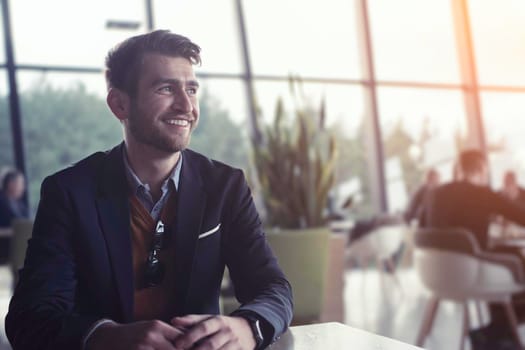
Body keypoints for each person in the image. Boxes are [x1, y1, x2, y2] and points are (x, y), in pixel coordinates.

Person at [5, 30, 292, 350]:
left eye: (192, 89)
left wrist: (247, 326)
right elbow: (29, 318)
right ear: (119, 104)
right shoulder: (69, 192)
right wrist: (106, 335)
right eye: (166, 88)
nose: (186, 105)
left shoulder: (226, 186)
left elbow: (273, 289)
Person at [424, 149, 525, 346]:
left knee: (504, 255)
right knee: (515, 259)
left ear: (460, 169)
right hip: (470, 273)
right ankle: (499, 331)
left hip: (436, 276)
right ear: (481, 169)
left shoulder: (435, 194)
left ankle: (497, 333)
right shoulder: (482, 194)